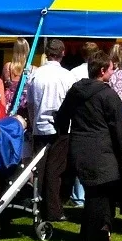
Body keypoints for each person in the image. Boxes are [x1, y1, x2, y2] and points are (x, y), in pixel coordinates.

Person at [64, 50, 122, 241]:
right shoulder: (108, 95)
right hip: (102, 150)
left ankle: (89, 235)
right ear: (102, 70)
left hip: (79, 147)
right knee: (100, 196)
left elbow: (62, 116)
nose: (113, 72)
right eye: (111, 69)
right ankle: (98, 236)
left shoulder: (75, 91)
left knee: (94, 194)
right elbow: (119, 127)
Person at [25, 39, 77, 221]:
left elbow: (30, 104)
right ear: (62, 53)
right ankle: (53, 209)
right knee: (56, 170)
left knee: (40, 169)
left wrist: (32, 122)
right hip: (60, 127)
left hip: (40, 125)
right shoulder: (67, 76)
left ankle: (39, 203)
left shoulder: (35, 76)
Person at [3, 38, 31, 106]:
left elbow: (2, 83)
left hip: (9, 102)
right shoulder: (33, 69)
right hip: (25, 103)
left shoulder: (7, 67)